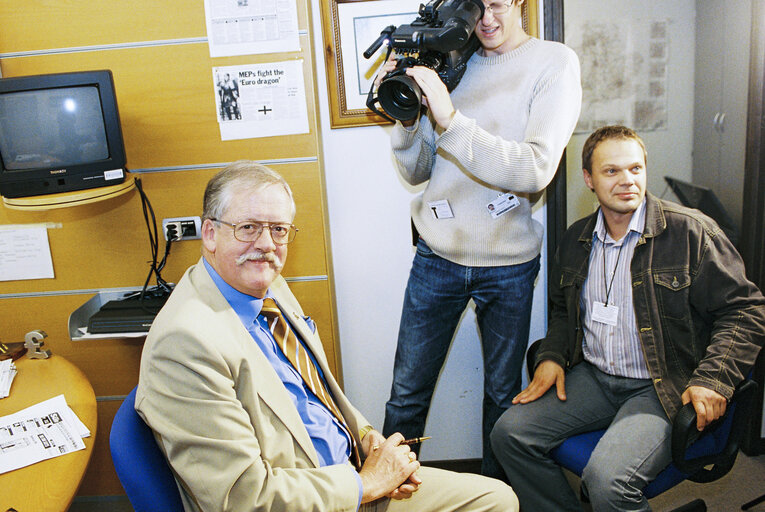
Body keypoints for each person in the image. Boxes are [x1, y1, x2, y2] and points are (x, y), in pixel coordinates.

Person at [136, 161, 519, 512]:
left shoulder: (267, 285)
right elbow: (243, 498)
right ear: (210, 233)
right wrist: (365, 484)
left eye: (279, 229)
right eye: (248, 227)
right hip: (305, 497)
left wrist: (367, 437)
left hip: (344, 467)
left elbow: (317, 394)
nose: (267, 245)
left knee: (498, 498)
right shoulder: (185, 343)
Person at [490, 125, 765, 511]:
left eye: (635, 169)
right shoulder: (575, 241)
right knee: (508, 434)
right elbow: (561, 311)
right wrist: (552, 355)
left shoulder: (691, 233)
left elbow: (746, 310)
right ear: (589, 179)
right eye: (612, 171)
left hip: (662, 384)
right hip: (597, 377)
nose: (627, 181)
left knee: (607, 482)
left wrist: (714, 379)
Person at [379, 0, 582, 479]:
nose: (485, 20)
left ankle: (496, 500)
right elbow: (416, 172)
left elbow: (534, 170)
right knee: (406, 394)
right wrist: (408, 117)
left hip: (509, 264)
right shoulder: (452, 59)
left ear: (519, 2)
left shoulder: (553, 63)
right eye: (474, 6)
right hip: (438, 255)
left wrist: (451, 120)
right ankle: (382, 494)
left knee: (500, 396)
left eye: (495, 4)